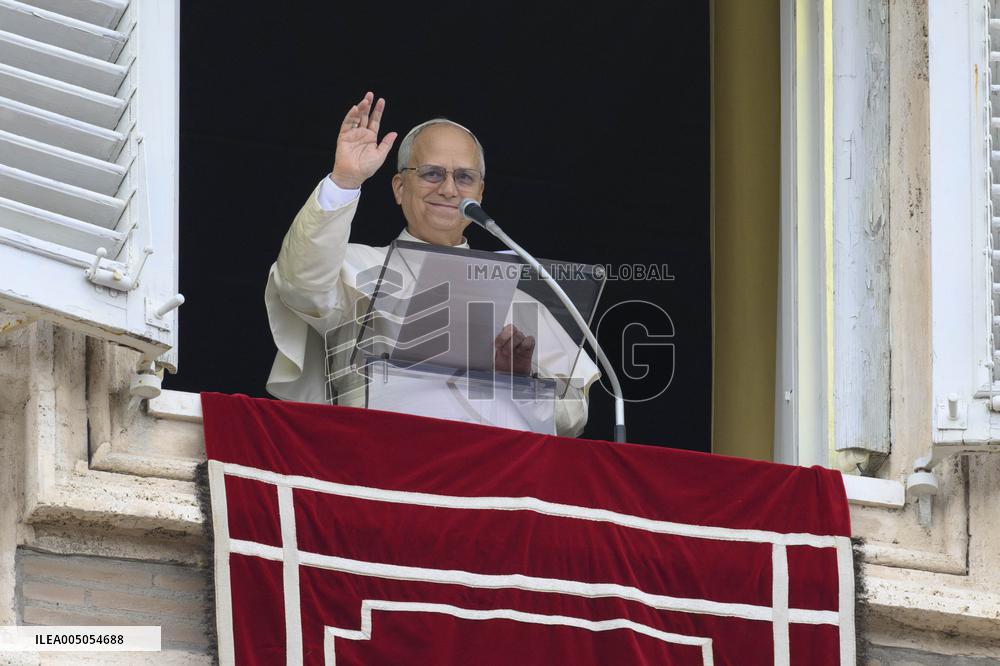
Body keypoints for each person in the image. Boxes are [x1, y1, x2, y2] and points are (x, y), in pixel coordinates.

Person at [264, 92, 599, 436]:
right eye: (432, 173)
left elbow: (572, 418)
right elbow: (299, 286)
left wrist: (522, 382)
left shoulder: (521, 301)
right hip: (381, 466)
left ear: (480, 194)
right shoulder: (356, 266)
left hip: (493, 477)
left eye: (465, 177)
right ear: (399, 187)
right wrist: (344, 182)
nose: (449, 189)